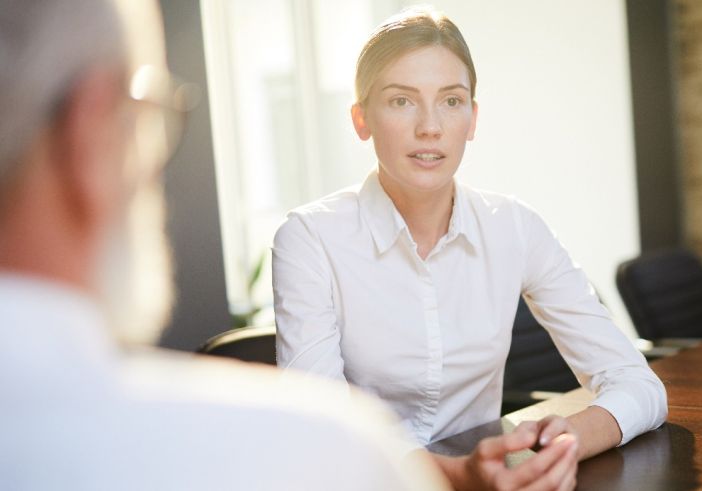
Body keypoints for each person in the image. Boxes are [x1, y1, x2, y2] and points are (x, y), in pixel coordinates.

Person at [0, 1, 446, 489]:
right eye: (145, 114)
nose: (430, 126)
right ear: (90, 133)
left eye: (451, 100)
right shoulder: (323, 455)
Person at [273, 6, 667, 489]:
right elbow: (321, 430)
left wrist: (569, 440)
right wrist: (457, 476)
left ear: (473, 118)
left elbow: (640, 385)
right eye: (401, 101)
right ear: (361, 119)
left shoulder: (515, 227)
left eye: (451, 101)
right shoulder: (309, 238)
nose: (430, 127)